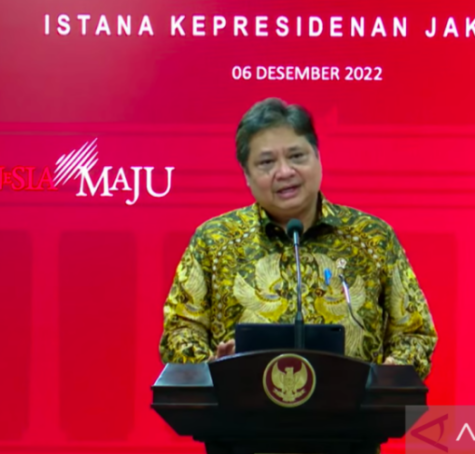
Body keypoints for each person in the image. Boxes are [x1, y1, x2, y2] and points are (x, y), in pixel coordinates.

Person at [159, 97, 437, 379]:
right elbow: (179, 331)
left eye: (296, 156)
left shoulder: (373, 237)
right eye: (267, 162)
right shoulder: (214, 240)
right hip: (238, 405)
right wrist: (215, 370)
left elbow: (415, 333)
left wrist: (383, 381)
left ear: (317, 157)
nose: (284, 172)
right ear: (246, 175)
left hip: (354, 406)